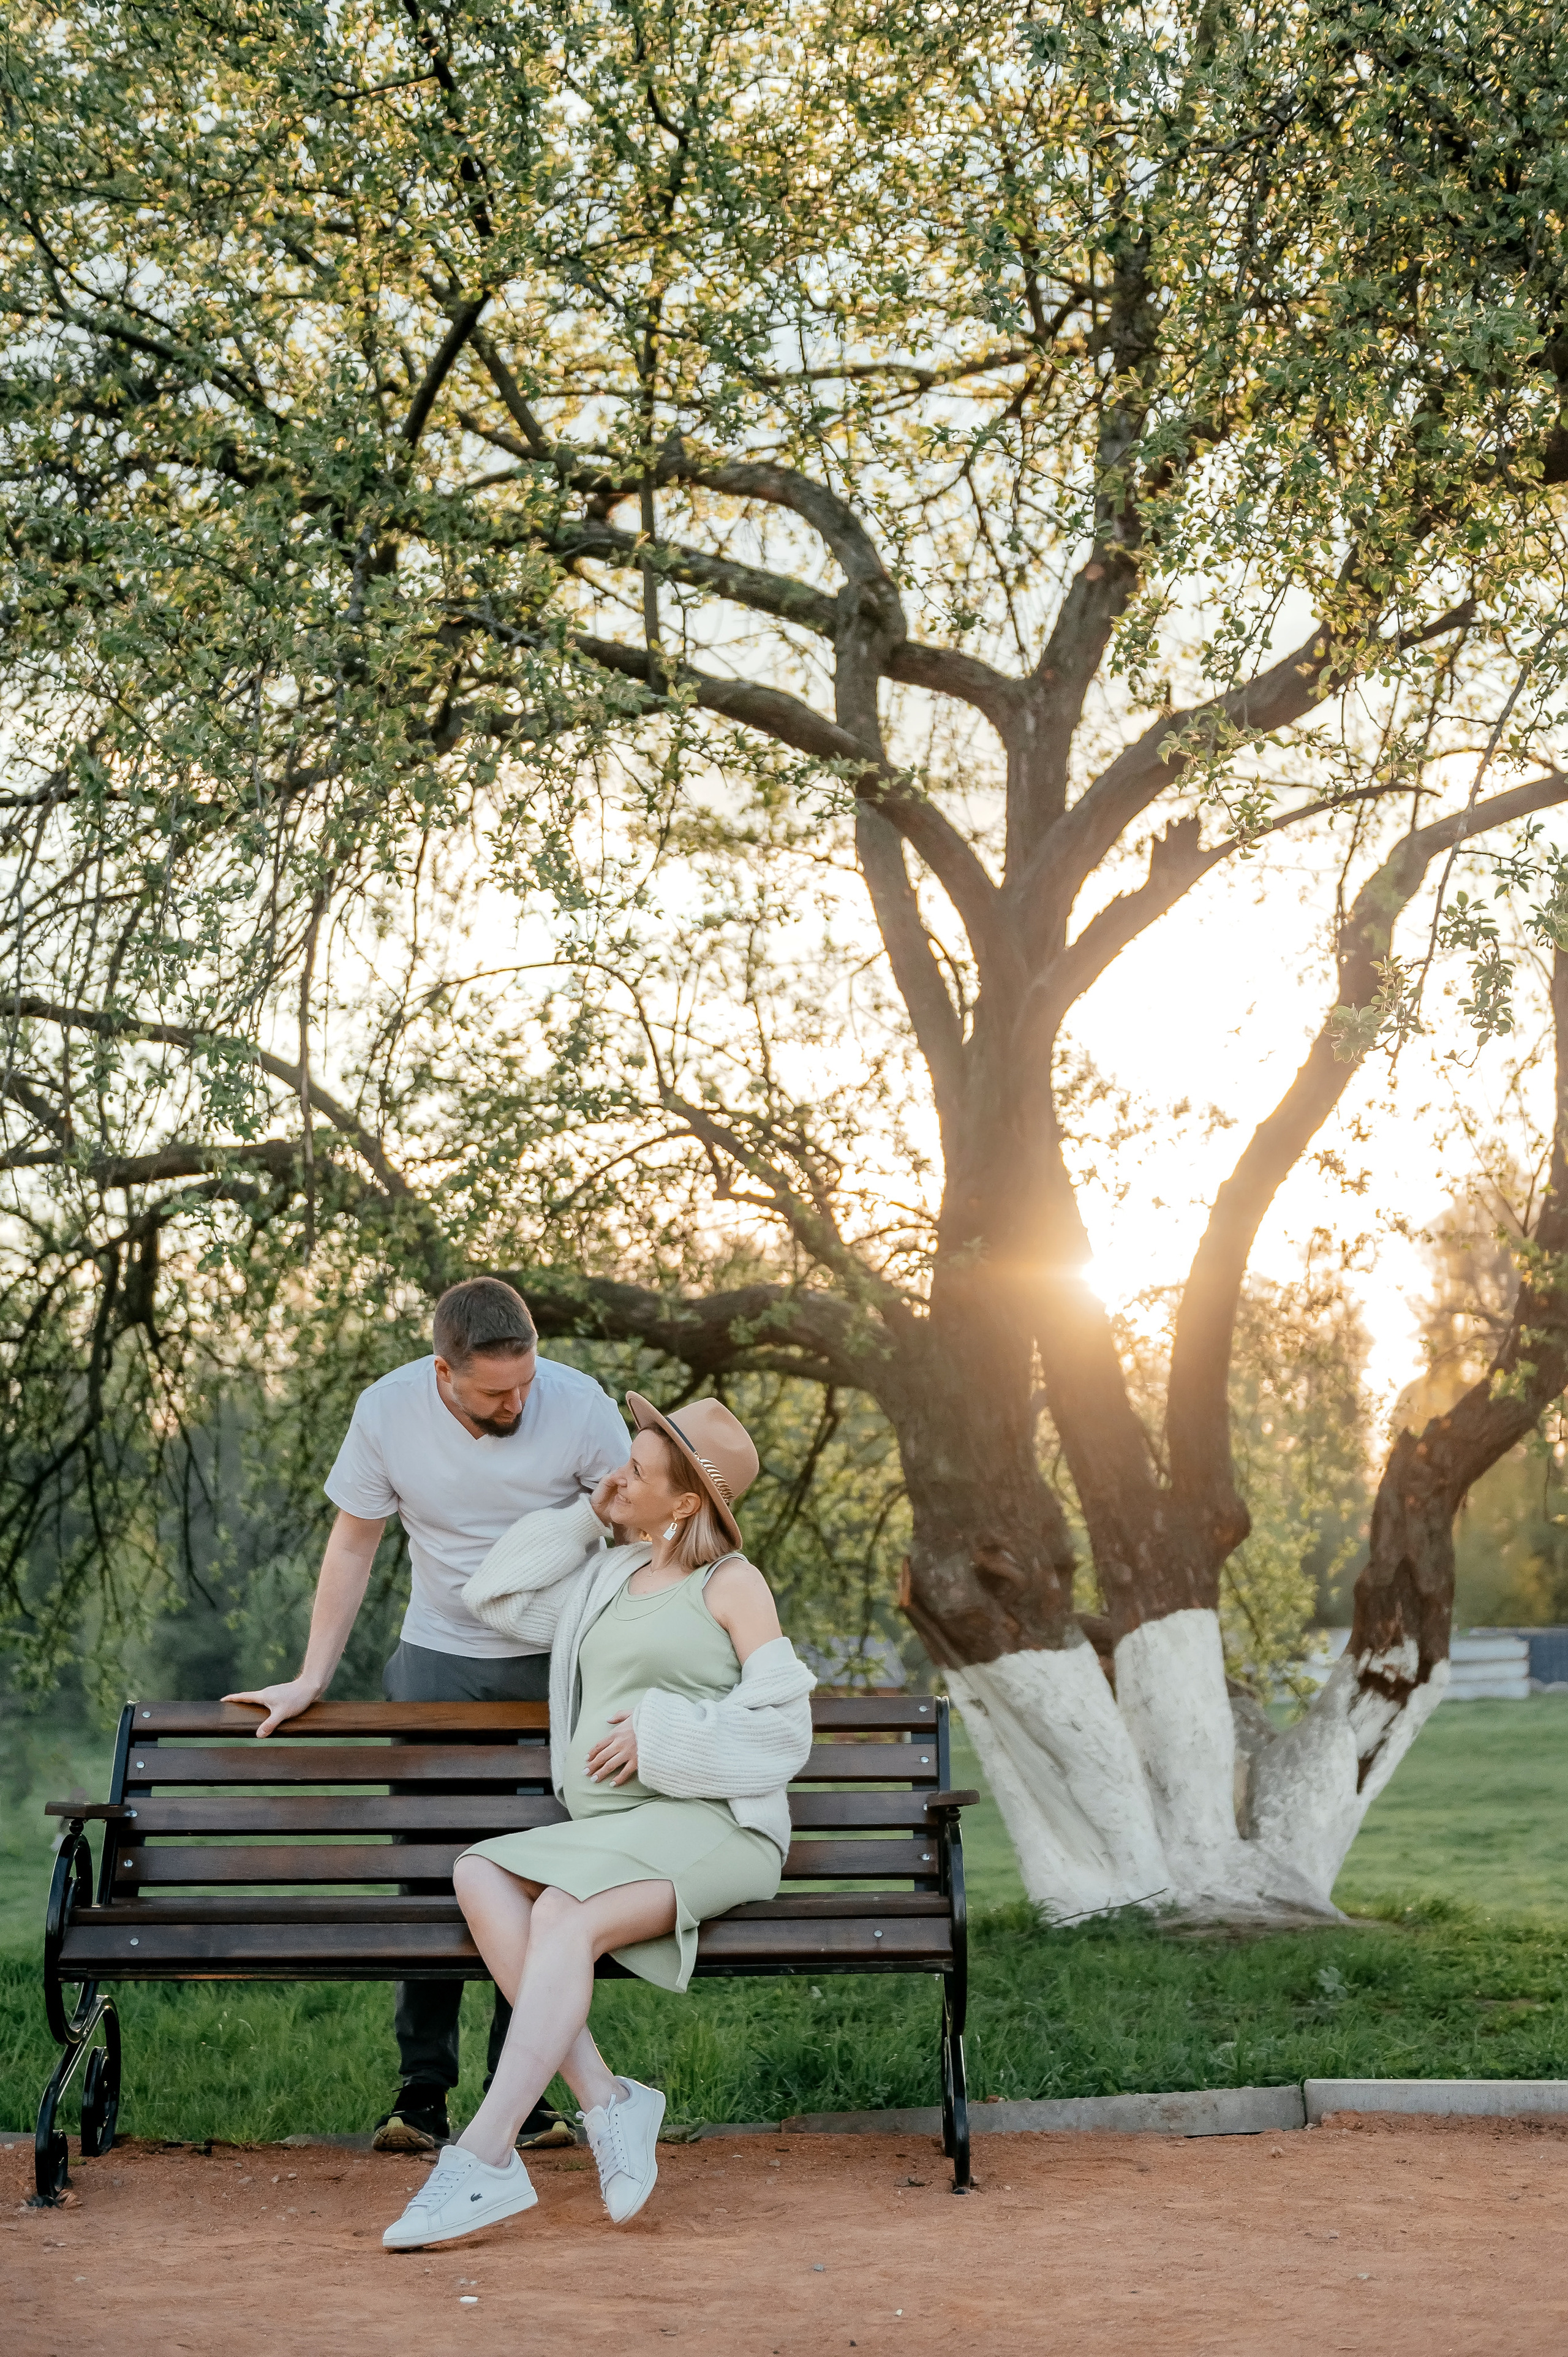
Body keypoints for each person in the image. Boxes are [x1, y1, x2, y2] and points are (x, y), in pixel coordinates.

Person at [379, 1391, 815, 2250]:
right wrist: (589, 1518)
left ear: (685, 1502)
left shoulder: (733, 1583)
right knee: (480, 1871)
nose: (617, 1477)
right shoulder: (608, 1577)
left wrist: (663, 1737)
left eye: (637, 1470)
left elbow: (783, 1727)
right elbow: (495, 1593)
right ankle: (607, 2099)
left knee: (562, 1917)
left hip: (712, 1823)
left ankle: (484, 2155)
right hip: (613, 1831)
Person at [224, 1276, 628, 2155]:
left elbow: (643, 1536)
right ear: (445, 1372)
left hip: (563, 1660)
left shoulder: (581, 1406)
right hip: (439, 1657)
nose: (517, 1404)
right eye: (495, 1392)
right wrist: (311, 1676)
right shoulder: (387, 1410)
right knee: (432, 1870)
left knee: (550, 1878)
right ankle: (422, 2092)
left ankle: (529, 2095)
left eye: (525, 1383)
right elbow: (353, 1543)